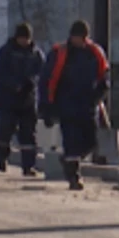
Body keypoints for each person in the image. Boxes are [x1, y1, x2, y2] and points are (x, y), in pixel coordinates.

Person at [39, 19, 109, 191]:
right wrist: (46, 107)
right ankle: (73, 176)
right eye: (77, 37)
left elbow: (104, 76)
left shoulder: (95, 53)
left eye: (83, 37)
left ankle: (70, 160)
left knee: (90, 142)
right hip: (66, 104)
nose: (80, 40)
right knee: (71, 140)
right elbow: (46, 80)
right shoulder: (59, 53)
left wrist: (99, 94)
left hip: (87, 105)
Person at [0, 22, 46, 176]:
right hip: (8, 99)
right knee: (6, 129)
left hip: (28, 100)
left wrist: (31, 82)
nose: (25, 41)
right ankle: (2, 157)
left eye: (27, 38)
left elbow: (42, 73)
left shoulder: (36, 54)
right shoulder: (6, 52)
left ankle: (28, 166)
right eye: (22, 38)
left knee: (29, 134)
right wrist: (14, 84)